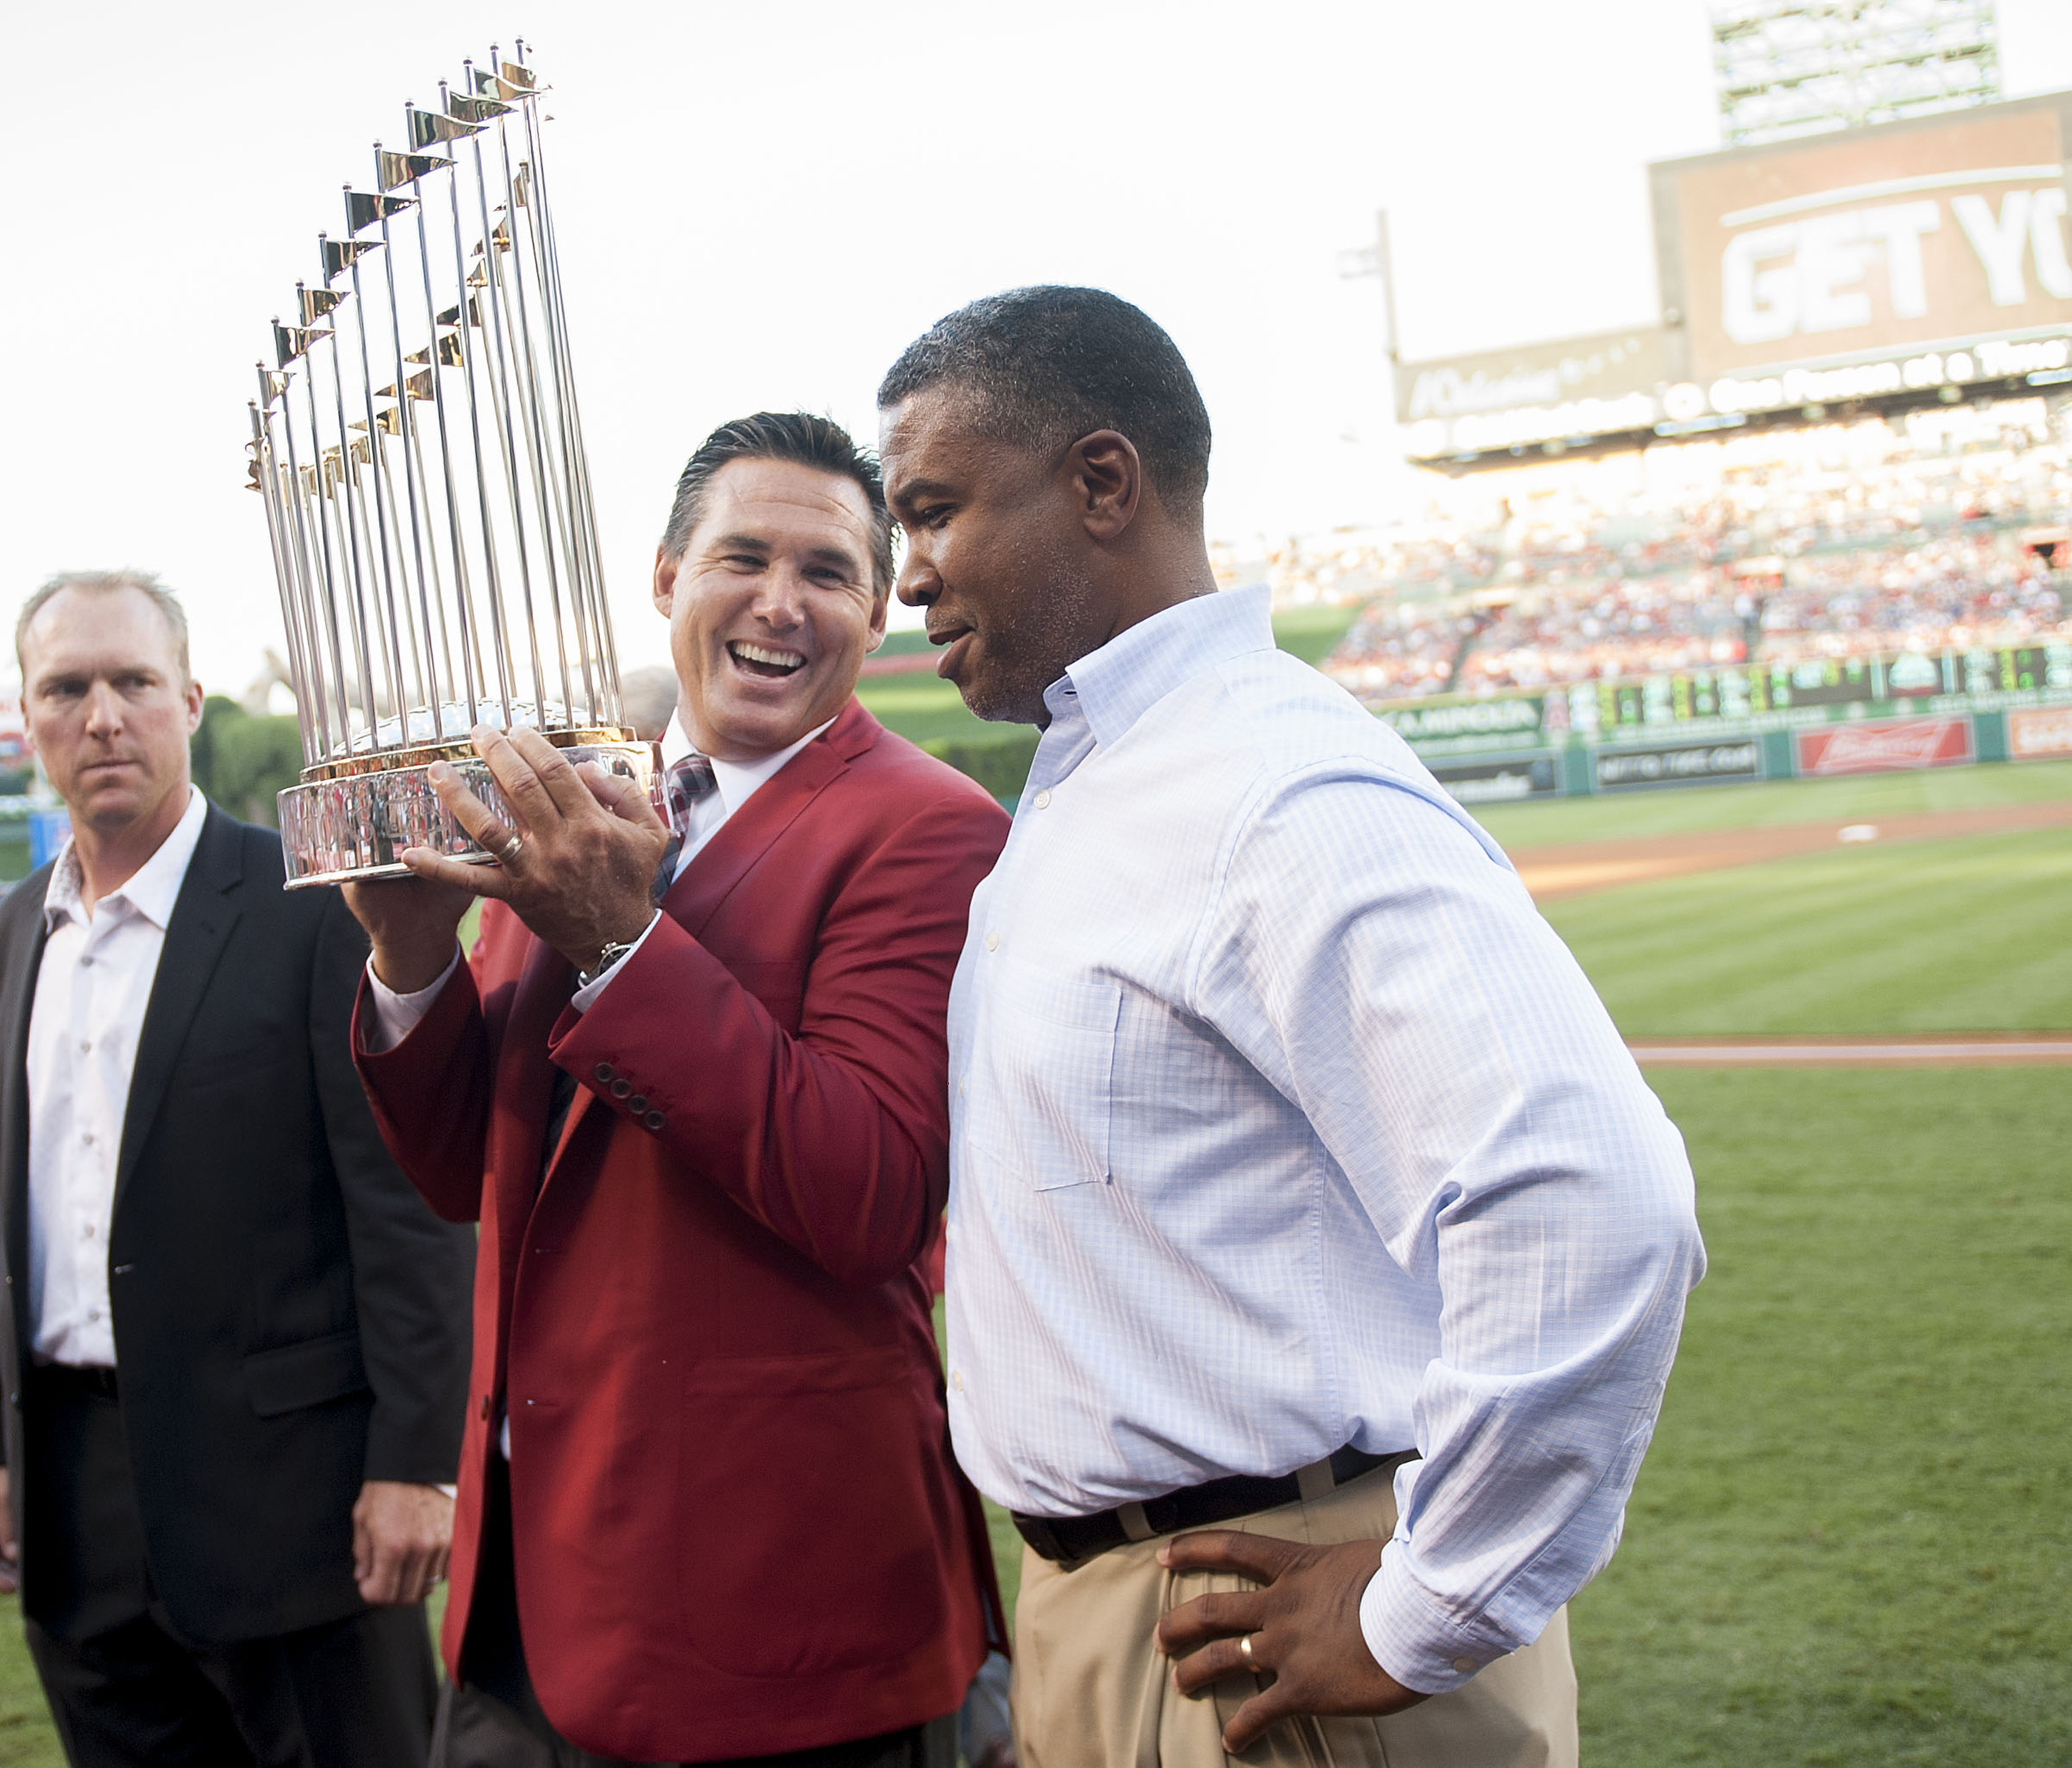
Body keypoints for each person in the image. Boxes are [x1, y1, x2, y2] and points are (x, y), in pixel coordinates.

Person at [877, 288, 1706, 1767]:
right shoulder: (1105, 776)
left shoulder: (1269, 784)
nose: (908, 577)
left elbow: (1587, 1195)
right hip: (1121, 1609)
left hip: (1267, 1618)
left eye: (933, 510)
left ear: (1101, 483)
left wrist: (1426, 1606)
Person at [342, 413, 1011, 1767]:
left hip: (772, 1602)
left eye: (826, 572)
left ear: (875, 611)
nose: (780, 603)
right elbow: (468, 1172)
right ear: (665, 579)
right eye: (741, 558)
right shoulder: (582, 799)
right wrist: (409, 960)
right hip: (525, 1583)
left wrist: (617, 940)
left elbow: (872, 1195)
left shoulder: (930, 828)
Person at [0, 570, 476, 1768]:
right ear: (26, 717)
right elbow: (17, 1210)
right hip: (75, 1491)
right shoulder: (12, 929)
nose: (102, 717)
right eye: (66, 689)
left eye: (133, 682)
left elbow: (407, 1200)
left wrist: (415, 1464)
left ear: (188, 700)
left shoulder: (313, 905)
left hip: (292, 1505)